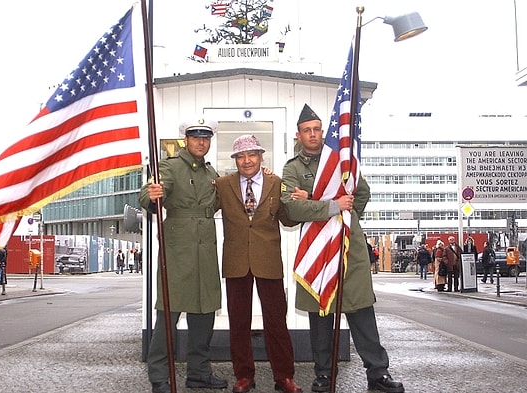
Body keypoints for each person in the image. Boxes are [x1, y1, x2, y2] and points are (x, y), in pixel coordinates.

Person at [281, 104, 404, 393]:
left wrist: (342, 219)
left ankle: (378, 375)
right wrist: (331, 206)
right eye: (306, 131)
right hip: (317, 250)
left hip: (349, 247)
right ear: (298, 135)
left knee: (361, 312)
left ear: (323, 132)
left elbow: (361, 192)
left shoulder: (341, 161)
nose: (313, 135)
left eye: (317, 130)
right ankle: (324, 375)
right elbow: (291, 207)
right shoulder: (293, 168)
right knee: (320, 316)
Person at [139, 118, 227, 393]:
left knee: (204, 313)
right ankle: (159, 375)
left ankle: (199, 373)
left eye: (206, 137)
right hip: (178, 250)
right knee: (168, 314)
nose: (201, 142)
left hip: (206, 248)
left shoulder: (212, 172)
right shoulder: (171, 166)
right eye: (195, 137)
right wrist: (151, 193)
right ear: (185, 140)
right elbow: (147, 196)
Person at [215, 135, 302, 393]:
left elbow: (288, 220)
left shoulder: (277, 183)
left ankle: (284, 377)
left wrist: (302, 203)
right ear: (235, 160)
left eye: (251, 155)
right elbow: (202, 207)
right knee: (238, 323)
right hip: (236, 261)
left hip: (268, 261)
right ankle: (244, 376)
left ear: (261, 156)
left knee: (276, 321)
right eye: (241, 156)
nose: (247, 160)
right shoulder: (222, 184)